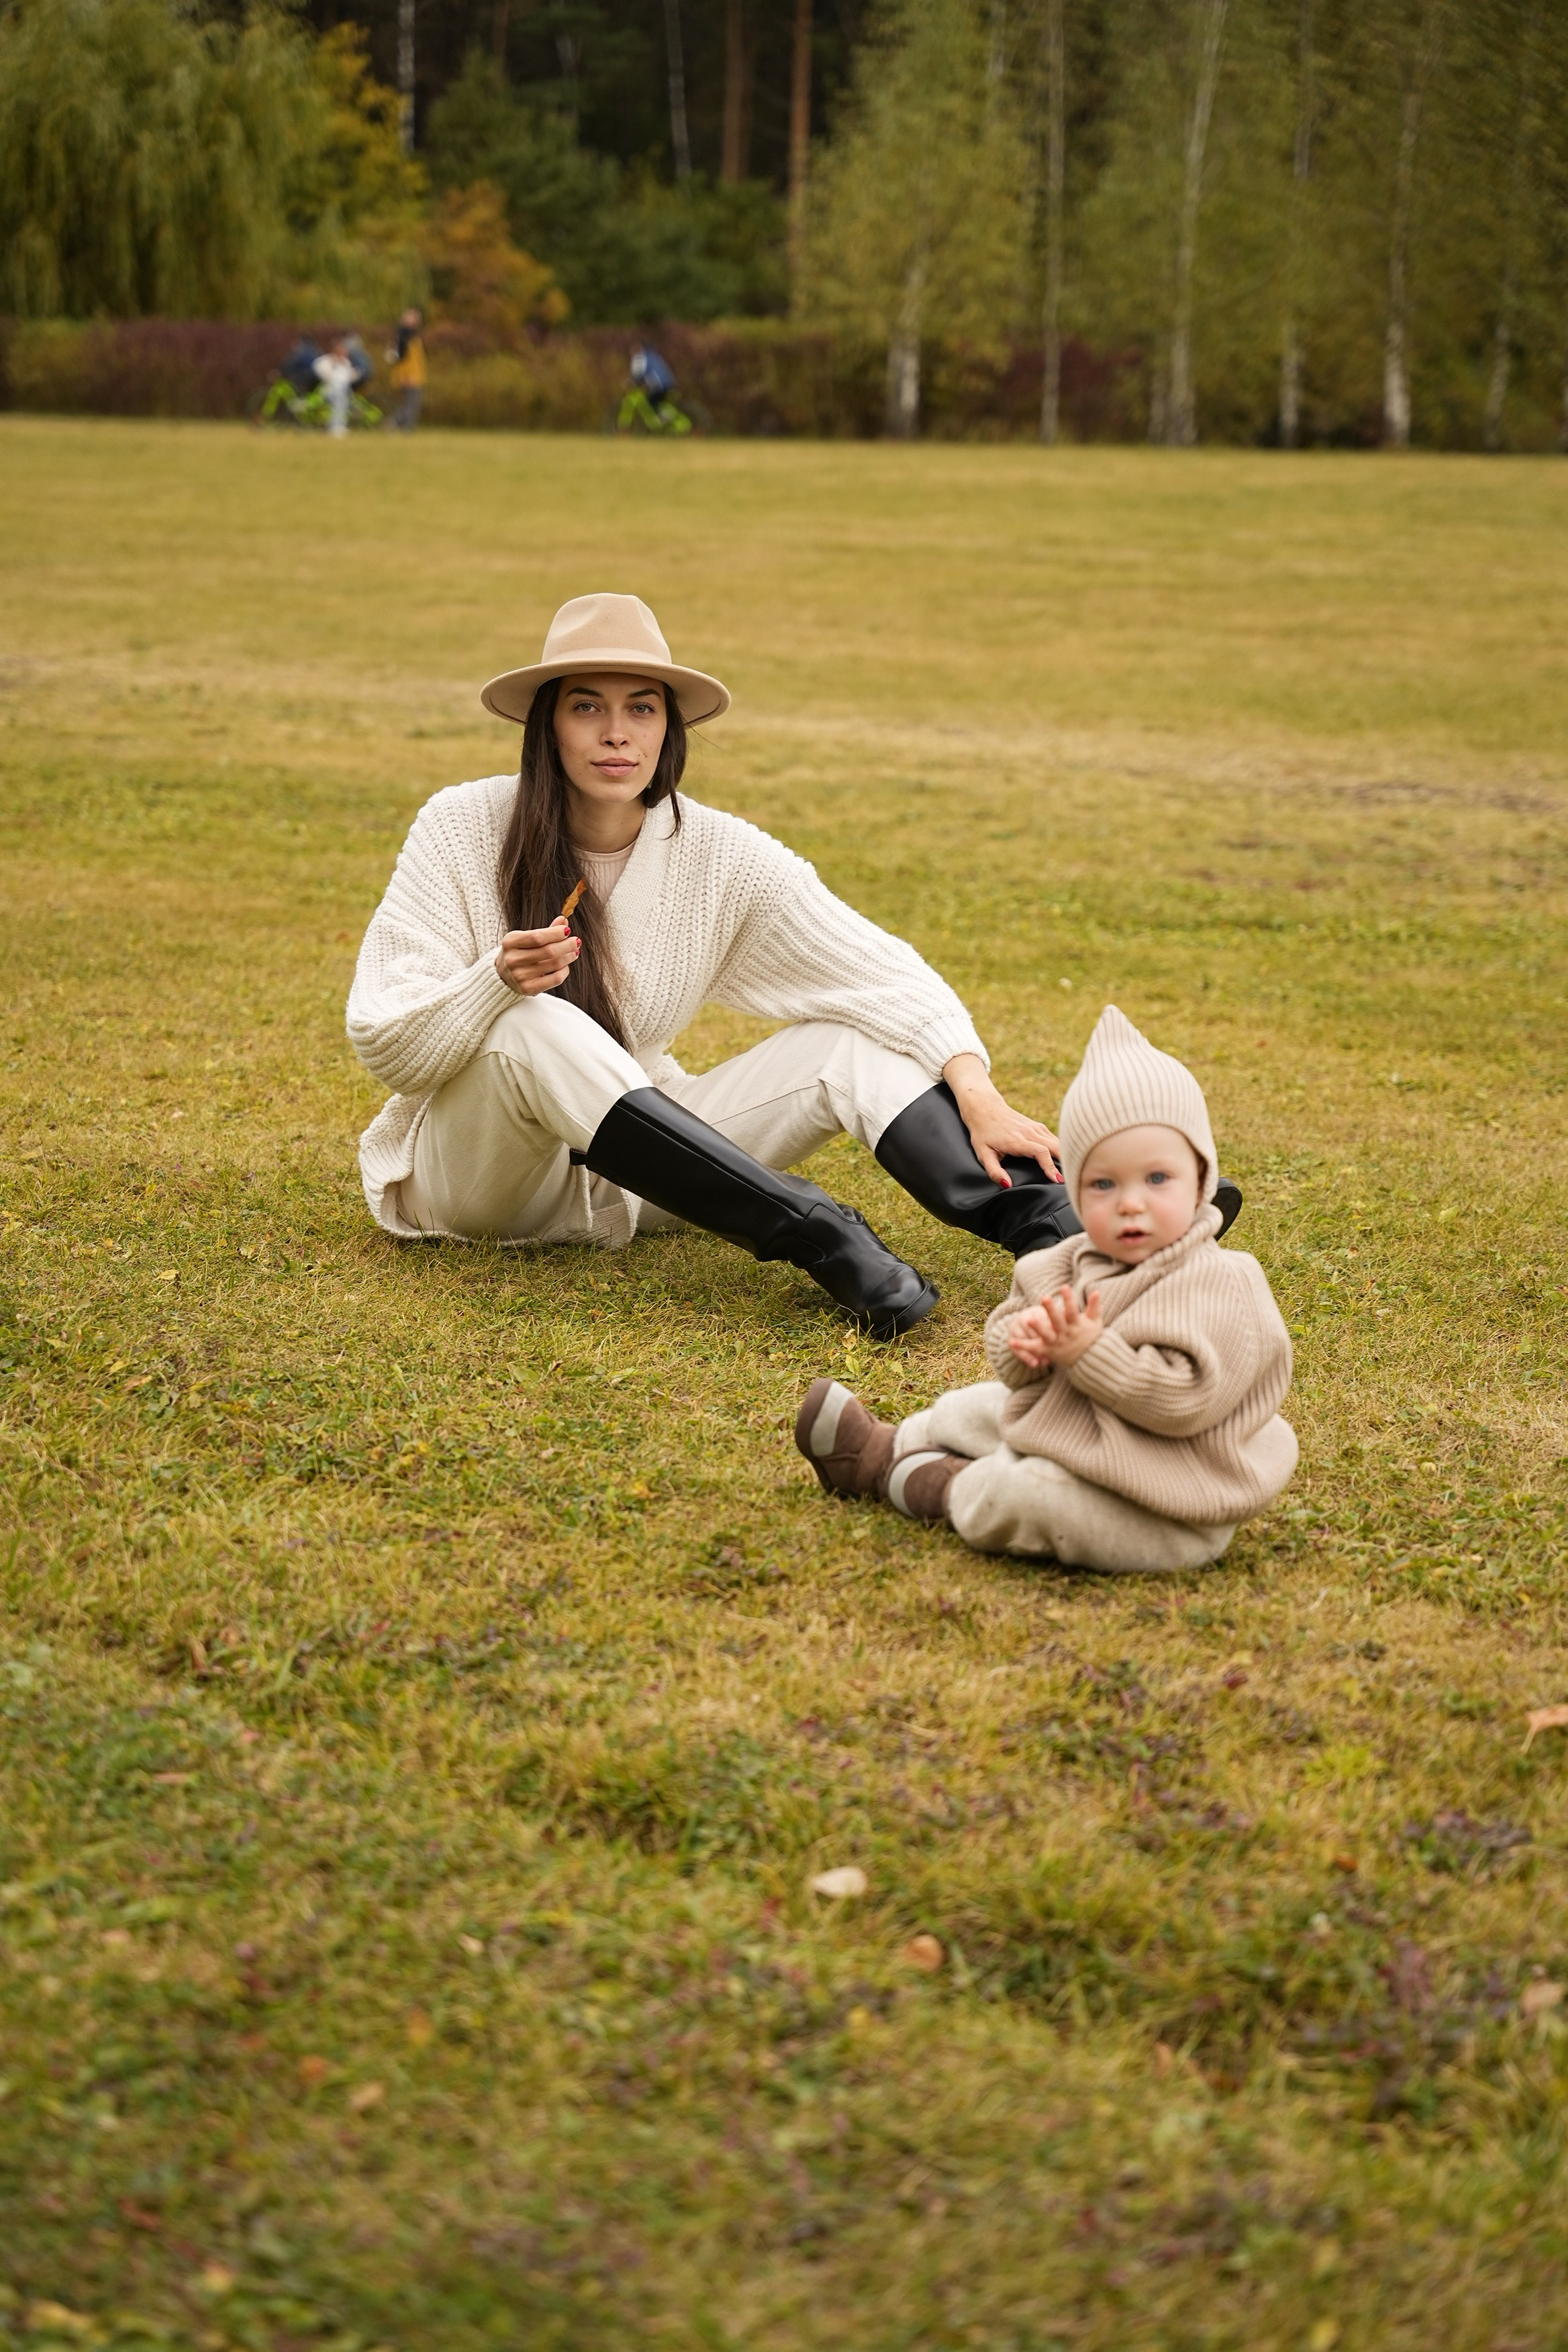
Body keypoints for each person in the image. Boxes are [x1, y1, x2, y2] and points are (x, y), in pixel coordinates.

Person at [346, 592, 1090, 1339]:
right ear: (548, 725)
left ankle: (1059, 1234)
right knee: (530, 1019)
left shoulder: (718, 853)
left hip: (632, 1179)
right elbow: (386, 1042)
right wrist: (494, 985)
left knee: (845, 1042)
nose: (616, 733)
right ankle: (816, 1232)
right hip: (481, 1182)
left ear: (668, 728)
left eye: (642, 709)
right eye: (586, 707)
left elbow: (885, 976)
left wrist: (978, 1095)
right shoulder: (460, 824)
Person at [795, 1005, 1296, 1568]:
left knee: (1029, 1492)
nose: (1131, 1203)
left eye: (1157, 1178)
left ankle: (933, 1484)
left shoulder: (1223, 1282)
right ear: (1074, 1191)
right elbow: (1011, 1349)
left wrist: (1089, 1353)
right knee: (979, 1404)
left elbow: (1186, 1403)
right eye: (1103, 1184)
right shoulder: (1060, 1264)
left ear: (1201, 1181)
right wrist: (1026, 1345)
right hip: (1092, 1432)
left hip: (1172, 1494)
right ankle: (883, 1448)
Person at [387, 306, 426, 432]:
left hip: (416, 374)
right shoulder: (403, 337)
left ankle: (405, 426)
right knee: (411, 403)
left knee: (413, 403)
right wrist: (405, 376)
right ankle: (398, 423)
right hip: (408, 375)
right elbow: (401, 359)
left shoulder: (413, 336)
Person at [313, 335, 356, 438]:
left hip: (343, 392)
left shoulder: (346, 363)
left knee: (342, 396)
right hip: (328, 391)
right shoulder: (324, 361)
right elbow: (324, 375)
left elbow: (349, 377)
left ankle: (339, 426)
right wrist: (334, 365)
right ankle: (335, 426)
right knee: (339, 392)